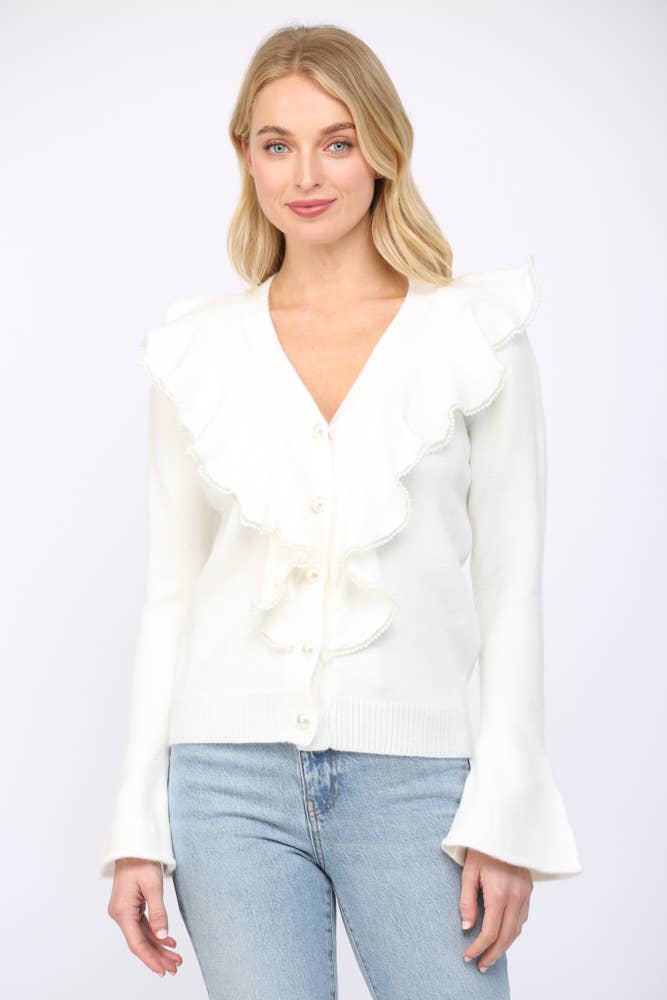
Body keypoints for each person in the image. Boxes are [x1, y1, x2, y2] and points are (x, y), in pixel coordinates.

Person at [100, 22, 582, 999]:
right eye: (277, 144)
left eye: (338, 140)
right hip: (224, 788)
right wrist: (134, 827)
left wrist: (507, 812)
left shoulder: (474, 336)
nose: (306, 174)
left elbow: (511, 589)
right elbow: (170, 597)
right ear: (245, 155)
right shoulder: (197, 353)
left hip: (415, 785)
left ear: (383, 150)